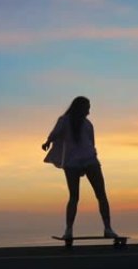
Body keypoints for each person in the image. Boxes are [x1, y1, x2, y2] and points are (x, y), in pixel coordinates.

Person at [42, 96, 117, 240]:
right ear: (80, 107)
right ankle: (69, 230)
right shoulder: (65, 120)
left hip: (89, 161)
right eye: (87, 107)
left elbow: (91, 143)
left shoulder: (88, 124)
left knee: (100, 194)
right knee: (75, 196)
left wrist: (48, 141)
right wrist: (47, 142)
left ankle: (108, 228)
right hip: (73, 163)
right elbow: (55, 133)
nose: (89, 111)